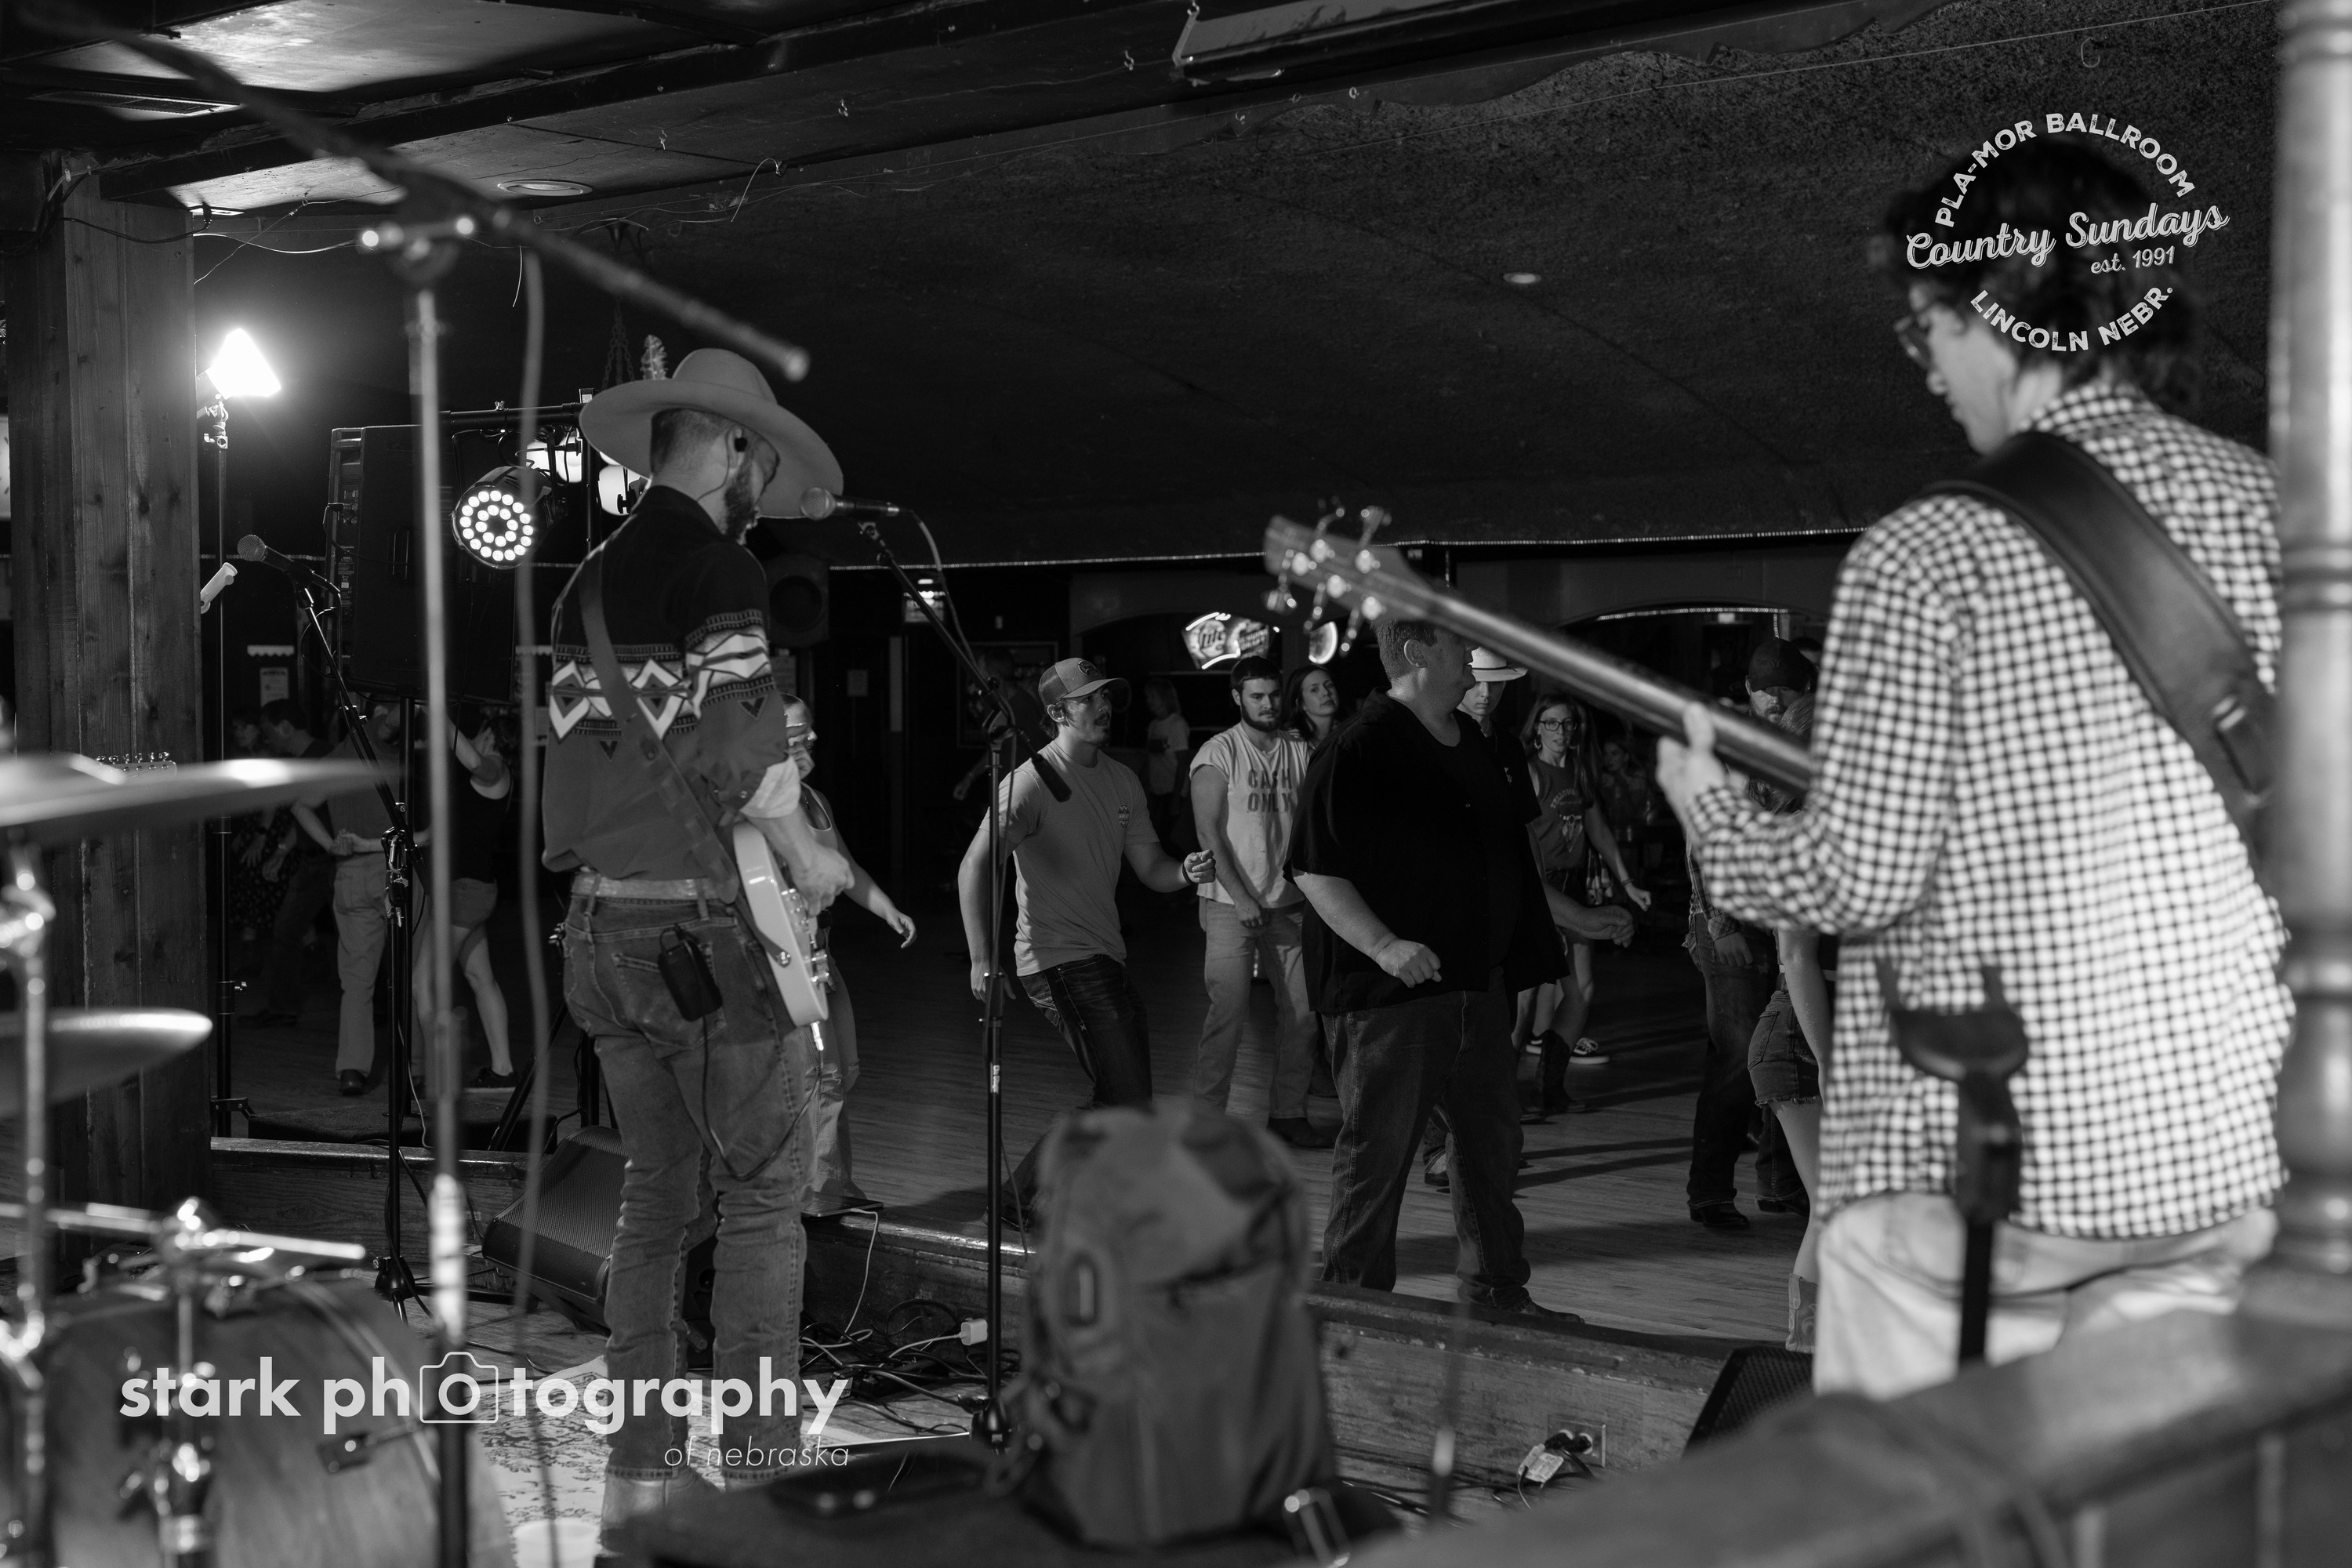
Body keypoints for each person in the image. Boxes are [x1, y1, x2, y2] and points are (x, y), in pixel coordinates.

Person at [1658, 139, 2284, 1398]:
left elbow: (1853, 876)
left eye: (1928, 325)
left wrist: (1712, 811)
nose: (1929, 364)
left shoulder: (1930, 554)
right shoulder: (2285, 510)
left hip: (2003, 1184)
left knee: (1927, 1471)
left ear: (2002, 308)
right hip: (2233, 1156)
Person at [547, 346, 855, 1537]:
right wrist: (814, 853)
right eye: (759, 464)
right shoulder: (721, 567)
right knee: (766, 1196)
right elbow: (745, 755)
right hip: (698, 934)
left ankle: (640, 1476)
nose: (760, 493)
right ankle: (766, 1483)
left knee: (654, 1193)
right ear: (731, 448)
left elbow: (606, 759)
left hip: (598, 931)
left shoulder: (585, 581)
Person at [1290, 619, 1629, 1316]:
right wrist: (1385, 945)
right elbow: (1314, 868)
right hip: (1391, 999)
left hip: (1477, 984)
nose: (1473, 658)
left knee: (1490, 1150)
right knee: (1377, 1160)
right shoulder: (1360, 748)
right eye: (1457, 644)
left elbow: (1506, 854)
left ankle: (1497, 1295)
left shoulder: (1475, 741)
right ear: (1418, 652)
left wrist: (1570, 922)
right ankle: (1352, 1313)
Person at [957, 657, 1218, 1222]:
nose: (1104, 707)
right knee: (1124, 1096)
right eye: (1089, 699)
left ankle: (1040, 1199)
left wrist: (1185, 872)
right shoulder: (1030, 782)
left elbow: (1150, 867)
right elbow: (973, 866)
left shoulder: (1122, 780)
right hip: (1057, 959)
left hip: (1104, 957)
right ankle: (1030, 1200)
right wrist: (981, 959)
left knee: (1125, 1099)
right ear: (1057, 712)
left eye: (1106, 697)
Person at [782, 697, 918, 1216]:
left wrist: (886, 908)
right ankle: (820, 1195)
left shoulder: (813, 799)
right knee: (822, 1079)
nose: (813, 738)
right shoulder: (758, 809)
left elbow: (846, 867)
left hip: (822, 955)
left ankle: (832, 1185)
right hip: (789, 963)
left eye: (811, 728)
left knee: (844, 1071)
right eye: (801, 730)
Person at [1189, 655, 1328, 1150]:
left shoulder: (1298, 749)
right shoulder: (1218, 752)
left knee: (1304, 1014)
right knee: (1227, 1015)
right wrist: (1242, 896)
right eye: (1256, 696)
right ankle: (1206, 1126)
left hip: (1288, 902)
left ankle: (1288, 1115)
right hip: (1231, 903)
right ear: (1237, 698)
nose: (1267, 704)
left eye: (1272, 695)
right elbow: (1208, 833)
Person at [1517, 693, 1650, 1098]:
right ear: (1537, 728)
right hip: (1540, 887)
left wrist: (1627, 882)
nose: (1560, 731)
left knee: (1581, 988)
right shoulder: (1529, 772)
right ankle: (1503, 1096)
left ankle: (1550, 1088)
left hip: (1572, 884)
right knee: (1526, 994)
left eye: (1567, 723)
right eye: (1552, 723)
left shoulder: (1579, 772)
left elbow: (1598, 830)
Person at [288, 699, 405, 1094]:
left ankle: (353, 1069)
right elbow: (393, 720)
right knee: (414, 973)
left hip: (350, 871)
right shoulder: (380, 743)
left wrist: (330, 845)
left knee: (357, 982)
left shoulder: (337, 757)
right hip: (393, 869)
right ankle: (420, 1069)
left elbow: (301, 807)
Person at [413, 716, 517, 1089]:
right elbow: (431, 835)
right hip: (472, 892)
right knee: (480, 978)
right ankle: (504, 1070)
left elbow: (472, 759)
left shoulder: (495, 769)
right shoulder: (481, 779)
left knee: (423, 983)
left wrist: (437, 712)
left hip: (465, 894)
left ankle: (439, 1077)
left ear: (489, 734)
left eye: (479, 731)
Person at [247, 699, 338, 1029]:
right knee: (286, 931)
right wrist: (283, 851)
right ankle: (282, 1008)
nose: (267, 738)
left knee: (356, 936)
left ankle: (379, 1008)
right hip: (310, 861)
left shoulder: (325, 756)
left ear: (285, 727)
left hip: (336, 861)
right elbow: (303, 814)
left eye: (269, 731)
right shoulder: (302, 760)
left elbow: (318, 812)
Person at [1140, 673, 1193, 853]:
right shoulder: (1154, 725)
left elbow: (1183, 763)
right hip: (1157, 789)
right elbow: (1149, 759)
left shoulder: (1177, 724)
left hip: (1172, 790)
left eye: (1153, 696)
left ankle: (1182, 866)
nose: (1149, 701)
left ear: (1164, 697)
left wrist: (1176, 797)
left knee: (1164, 837)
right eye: (1147, 697)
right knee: (1154, 836)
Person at [1282, 664, 1341, 753]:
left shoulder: (1347, 733)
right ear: (1301, 703)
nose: (1326, 692)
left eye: (1329, 685)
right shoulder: (1292, 741)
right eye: (1314, 690)